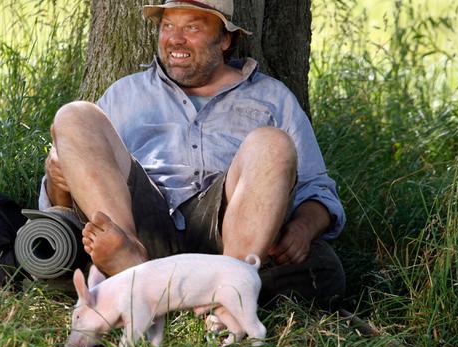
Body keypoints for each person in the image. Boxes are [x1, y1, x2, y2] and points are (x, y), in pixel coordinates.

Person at [39, 0, 346, 308]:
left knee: (273, 144)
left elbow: (317, 189)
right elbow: (65, 197)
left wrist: (303, 228)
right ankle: (128, 257)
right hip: (142, 222)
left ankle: (228, 286)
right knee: (74, 115)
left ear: (225, 39)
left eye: (193, 27)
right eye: (168, 26)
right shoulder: (124, 93)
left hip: (228, 231)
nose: (175, 39)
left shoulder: (272, 97)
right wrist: (58, 175)